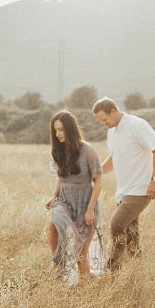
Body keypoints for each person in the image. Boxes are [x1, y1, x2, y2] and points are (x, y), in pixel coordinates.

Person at [92, 97, 155, 271]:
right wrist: (98, 171)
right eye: (100, 121)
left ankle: (112, 268)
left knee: (116, 225)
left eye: (104, 119)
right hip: (123, 191)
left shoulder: (137, 125)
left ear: (113, 111)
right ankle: (137, 270)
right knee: (132, 234)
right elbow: (115, 157)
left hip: (140, 189)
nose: (104, 123)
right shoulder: (112, 132)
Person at [45, 111, 103, 278]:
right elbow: (60, 179)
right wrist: (53, 197)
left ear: (70, 129)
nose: (58, 134)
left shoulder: (87, 150)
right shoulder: (59, 152)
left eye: (61, 130)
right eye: (55, 131)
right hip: (64, 200)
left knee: (81, 254)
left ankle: (87, 289)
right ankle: (58, 265)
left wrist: (90, 209)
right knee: (53, 225)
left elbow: (98, 181)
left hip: (85, 201)